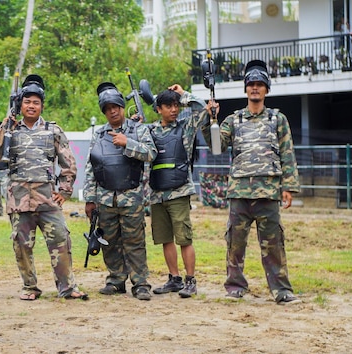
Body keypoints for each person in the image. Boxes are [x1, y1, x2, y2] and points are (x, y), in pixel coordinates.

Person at [202, 59, 302, 305]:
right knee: (235, 243)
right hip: (239, 193)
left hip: (268, 192)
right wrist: (209, 119)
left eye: (259, 84)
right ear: (245, 89)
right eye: (251, 84)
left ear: (266, 89)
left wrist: (288, 186)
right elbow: (216, 146)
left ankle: (281, 290)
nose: (255, 88)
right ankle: (235, 287)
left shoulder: (277, 120)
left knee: (274, 245)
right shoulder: (233, 120)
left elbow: (287, 153)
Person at [0, 74, 87, 301]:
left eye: (36, 102)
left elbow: (68, 163)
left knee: (61, 239)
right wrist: (3, 131)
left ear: (42, 106)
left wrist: (64, 190)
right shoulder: (11, 129)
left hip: (47, 199)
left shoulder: (53, 131)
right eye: (27, 102)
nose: (31, 106)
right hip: (19, 199)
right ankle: (30, 287)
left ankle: (67, 287)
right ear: (20, 104)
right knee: (21, 245)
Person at [83, 82, 156, 301]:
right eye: (108, 108)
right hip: (105, 198)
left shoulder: (138, 130)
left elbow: (151, 153)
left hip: (131, 196)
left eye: (116, 106)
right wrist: (89, 199)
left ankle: (140, 283)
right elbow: (91, 167)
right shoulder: (99, 134)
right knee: (110, 241)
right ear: (104, 111)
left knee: (134, 241)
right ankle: (115, 280)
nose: (113, 111)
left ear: (122, 107)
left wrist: (128, 143)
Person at [148, 85, 208, 298]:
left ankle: (190, 281)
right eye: (168, 106)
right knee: (165, 238)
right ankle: (174, 279)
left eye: (176, 106)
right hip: (156, 193)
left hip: (179, 191)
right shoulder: (149, 131)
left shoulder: (186, 127)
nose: (174, 110)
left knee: (184, 238)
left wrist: (183, 95)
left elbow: (202, 110)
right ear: (158, 109)